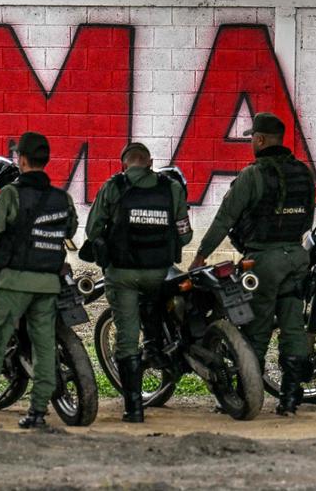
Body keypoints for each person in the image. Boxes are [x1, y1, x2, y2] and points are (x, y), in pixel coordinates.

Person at [190, 112, 316, 415]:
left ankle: (248, 395)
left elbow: (225, 219)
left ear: (259, 140)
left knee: (255, 329)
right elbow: (307, 219)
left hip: (263, 262)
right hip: (297, 258)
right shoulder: (303, 172)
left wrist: (201, 255)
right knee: (292, 326)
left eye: (252, 139)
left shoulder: (253, 175)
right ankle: (289, 399)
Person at [0, 132, 78, 430]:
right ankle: (37, 414)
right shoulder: (61, 198)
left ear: (21, 160)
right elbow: (70, 228)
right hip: (49, 284)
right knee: (45, 346)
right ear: (45, 160)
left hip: (13, 284)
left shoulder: (11, 194)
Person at [83, 143, 193, 423]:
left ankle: (134, 409)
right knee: (163, 311)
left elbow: (93, 229)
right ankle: (160, 349)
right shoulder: (172, 188)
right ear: (150, 162)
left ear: (124, 165)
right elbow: (184, 236)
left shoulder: (113, 187)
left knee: (127, 339)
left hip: (123, 275)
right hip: (161, 274)